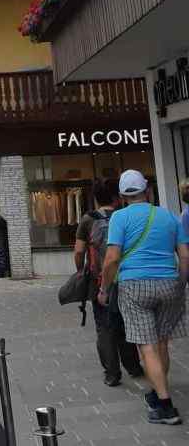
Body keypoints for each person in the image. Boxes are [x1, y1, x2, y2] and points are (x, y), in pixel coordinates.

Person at [99, 170, 189, 426]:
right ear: (146, 189)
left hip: (135, 286)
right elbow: (184, 255)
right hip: (169, 284)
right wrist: (180, 283)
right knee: (161, 342)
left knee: (146, 346)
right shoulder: (170, 216)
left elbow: (112, 258)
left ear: (122, 196)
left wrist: (105, 288)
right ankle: (158, 390)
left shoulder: (119, 217)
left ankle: (165, 406)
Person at [74, 180, 143, 386]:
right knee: (126, 322)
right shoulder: (125, 215)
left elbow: (79, 251)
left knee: (104, 326)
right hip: (126, 276)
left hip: (99, 280)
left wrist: (80, 270)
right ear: (116, 196)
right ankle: (133, 366)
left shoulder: (88, 219)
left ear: (95, 197)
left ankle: (112, 373)